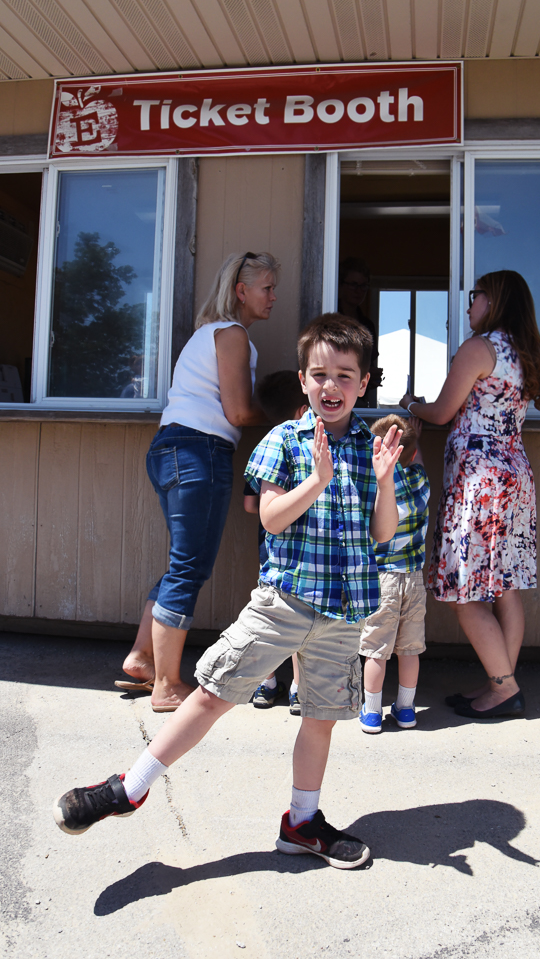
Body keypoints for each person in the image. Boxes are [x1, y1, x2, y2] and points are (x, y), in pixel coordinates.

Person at [54, 314, 403, 870]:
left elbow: (383, 533)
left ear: (364, 384)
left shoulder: (371, 450)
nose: (330, 386)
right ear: (303, 379)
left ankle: (302, 823)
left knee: (320, 719)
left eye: (344, 375)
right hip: (283, 602)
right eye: (319, 374)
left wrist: (384, 480)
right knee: (214, 692)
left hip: (343, 612)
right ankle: (132, 786)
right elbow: (269, 518)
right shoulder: (284, 440)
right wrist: (316, 480)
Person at [114, 251, 279, 713]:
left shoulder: (207, 335)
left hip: (171, 449)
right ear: (241, 291)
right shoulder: (232, 335)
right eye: (267, 288)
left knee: (179, 564)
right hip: (198, 452)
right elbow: (238, 413)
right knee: (189, 568)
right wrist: (288, 416)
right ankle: (167, 686)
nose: (273, 298)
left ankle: (143, 658)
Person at [400, 270, 540, 720]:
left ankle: (504, 689)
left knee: (466, 593)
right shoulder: (523, 354)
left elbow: (443, 410)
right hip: (514, 478)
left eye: (475, 297)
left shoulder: (479, 348)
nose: (468, 306)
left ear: (495, 300)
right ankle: (500, 681)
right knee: (504, 587)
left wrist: (410, 404)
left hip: (480, 482)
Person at [358, 414, 430, 733]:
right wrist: (416, 439)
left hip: (382, 579)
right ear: (412, 454)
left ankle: (372, 712)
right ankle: (405, 709)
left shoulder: (373, 488)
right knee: (409, 649)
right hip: (414, 580)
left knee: (376, 651)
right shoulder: (420, 480)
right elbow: (415, 458)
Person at [243, 370, 309, 714]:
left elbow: (250, 505)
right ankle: (299, 689)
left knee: (270, 618)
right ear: (302, 411)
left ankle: (265, 685)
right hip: (302, 553)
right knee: (298, 617)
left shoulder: (263, 446)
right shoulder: (305, 449)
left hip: (268, 552)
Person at [337, 257, 382, 404]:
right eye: (353, 284)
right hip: (334, 394)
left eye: (363, 286)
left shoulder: (367, 325)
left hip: (360, 400)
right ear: (340, 285)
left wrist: (371, 376)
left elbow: (370, 361)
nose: (359, 291)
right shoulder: (330, 318)